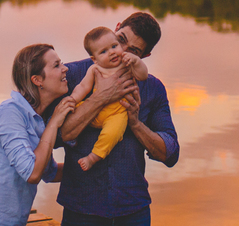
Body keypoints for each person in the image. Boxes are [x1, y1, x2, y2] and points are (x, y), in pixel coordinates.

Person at [55, 12, 179, 226]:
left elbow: (170, 153)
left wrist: (135, 124)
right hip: (81, 209)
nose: (121, 52)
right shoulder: (73, 74)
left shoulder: (152, 87)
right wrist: (101, 98)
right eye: (121, 40)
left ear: (145, 57)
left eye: (134, 51)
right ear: (117, 27)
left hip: (133, 211)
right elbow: (56, 136)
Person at [0, 44, 77, 226]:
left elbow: (49, 173)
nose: (65, 68)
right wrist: (54, 123)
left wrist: (92, 165)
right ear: (37, 80)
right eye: (57, 65)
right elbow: (32, 173)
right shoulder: (11, 112)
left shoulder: (37, 120)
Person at [68, 26, 149, 171]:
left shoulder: (127, 65)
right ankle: (73, 136)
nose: (112, 52)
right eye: (104, 51)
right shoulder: (95, 69)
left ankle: (93, 156)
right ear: (94, 59)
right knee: (76, 110)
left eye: (114, 46)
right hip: (94, 110)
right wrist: (73, 100)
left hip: (117, 113)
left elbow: (143, 76)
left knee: (113, 133)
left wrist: (136, 61)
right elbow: (83, 87)